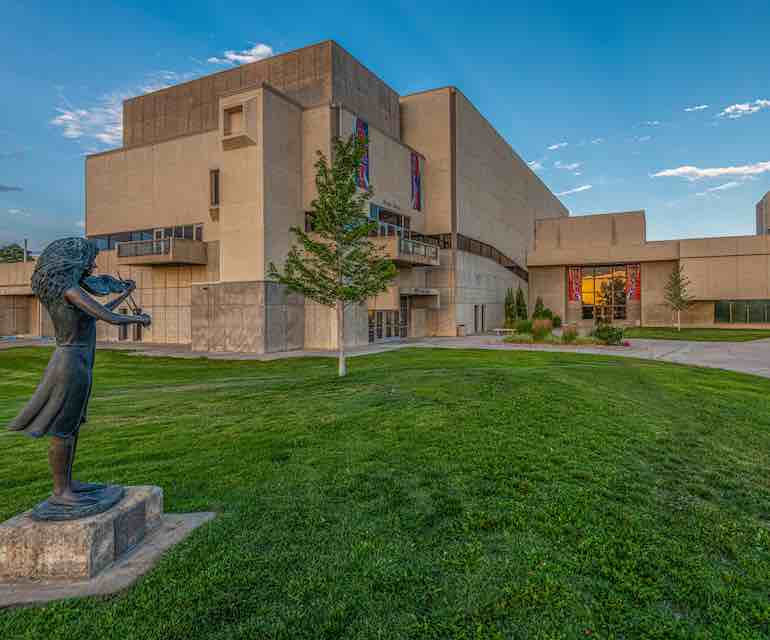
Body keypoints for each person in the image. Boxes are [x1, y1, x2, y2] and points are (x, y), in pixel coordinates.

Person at [8, 237, 150, 519]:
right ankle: (61, 492)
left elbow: (96, 314)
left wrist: (124, 294)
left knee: (72, 427)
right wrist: (139, 319)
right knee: (64, 428)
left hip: (78, 362)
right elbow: (109, 317)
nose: (93, 266)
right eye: (89, 261)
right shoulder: (70, 291)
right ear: (72, 262)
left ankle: (69, 484)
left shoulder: (70, 292)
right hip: (71, 364)